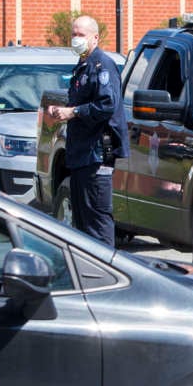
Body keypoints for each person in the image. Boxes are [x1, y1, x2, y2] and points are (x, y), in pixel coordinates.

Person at [45, 15, 128, 247]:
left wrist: (73, 112)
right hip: (81, 154)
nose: (76, 39)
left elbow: (106, 105)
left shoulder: (102, 65)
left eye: (80, 35)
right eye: (73, 34)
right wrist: (62, 110)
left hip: (97, 153)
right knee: (82, 223)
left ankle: (107, 273)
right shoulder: (83, 66)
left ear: (95, 37)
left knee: (97, 220)